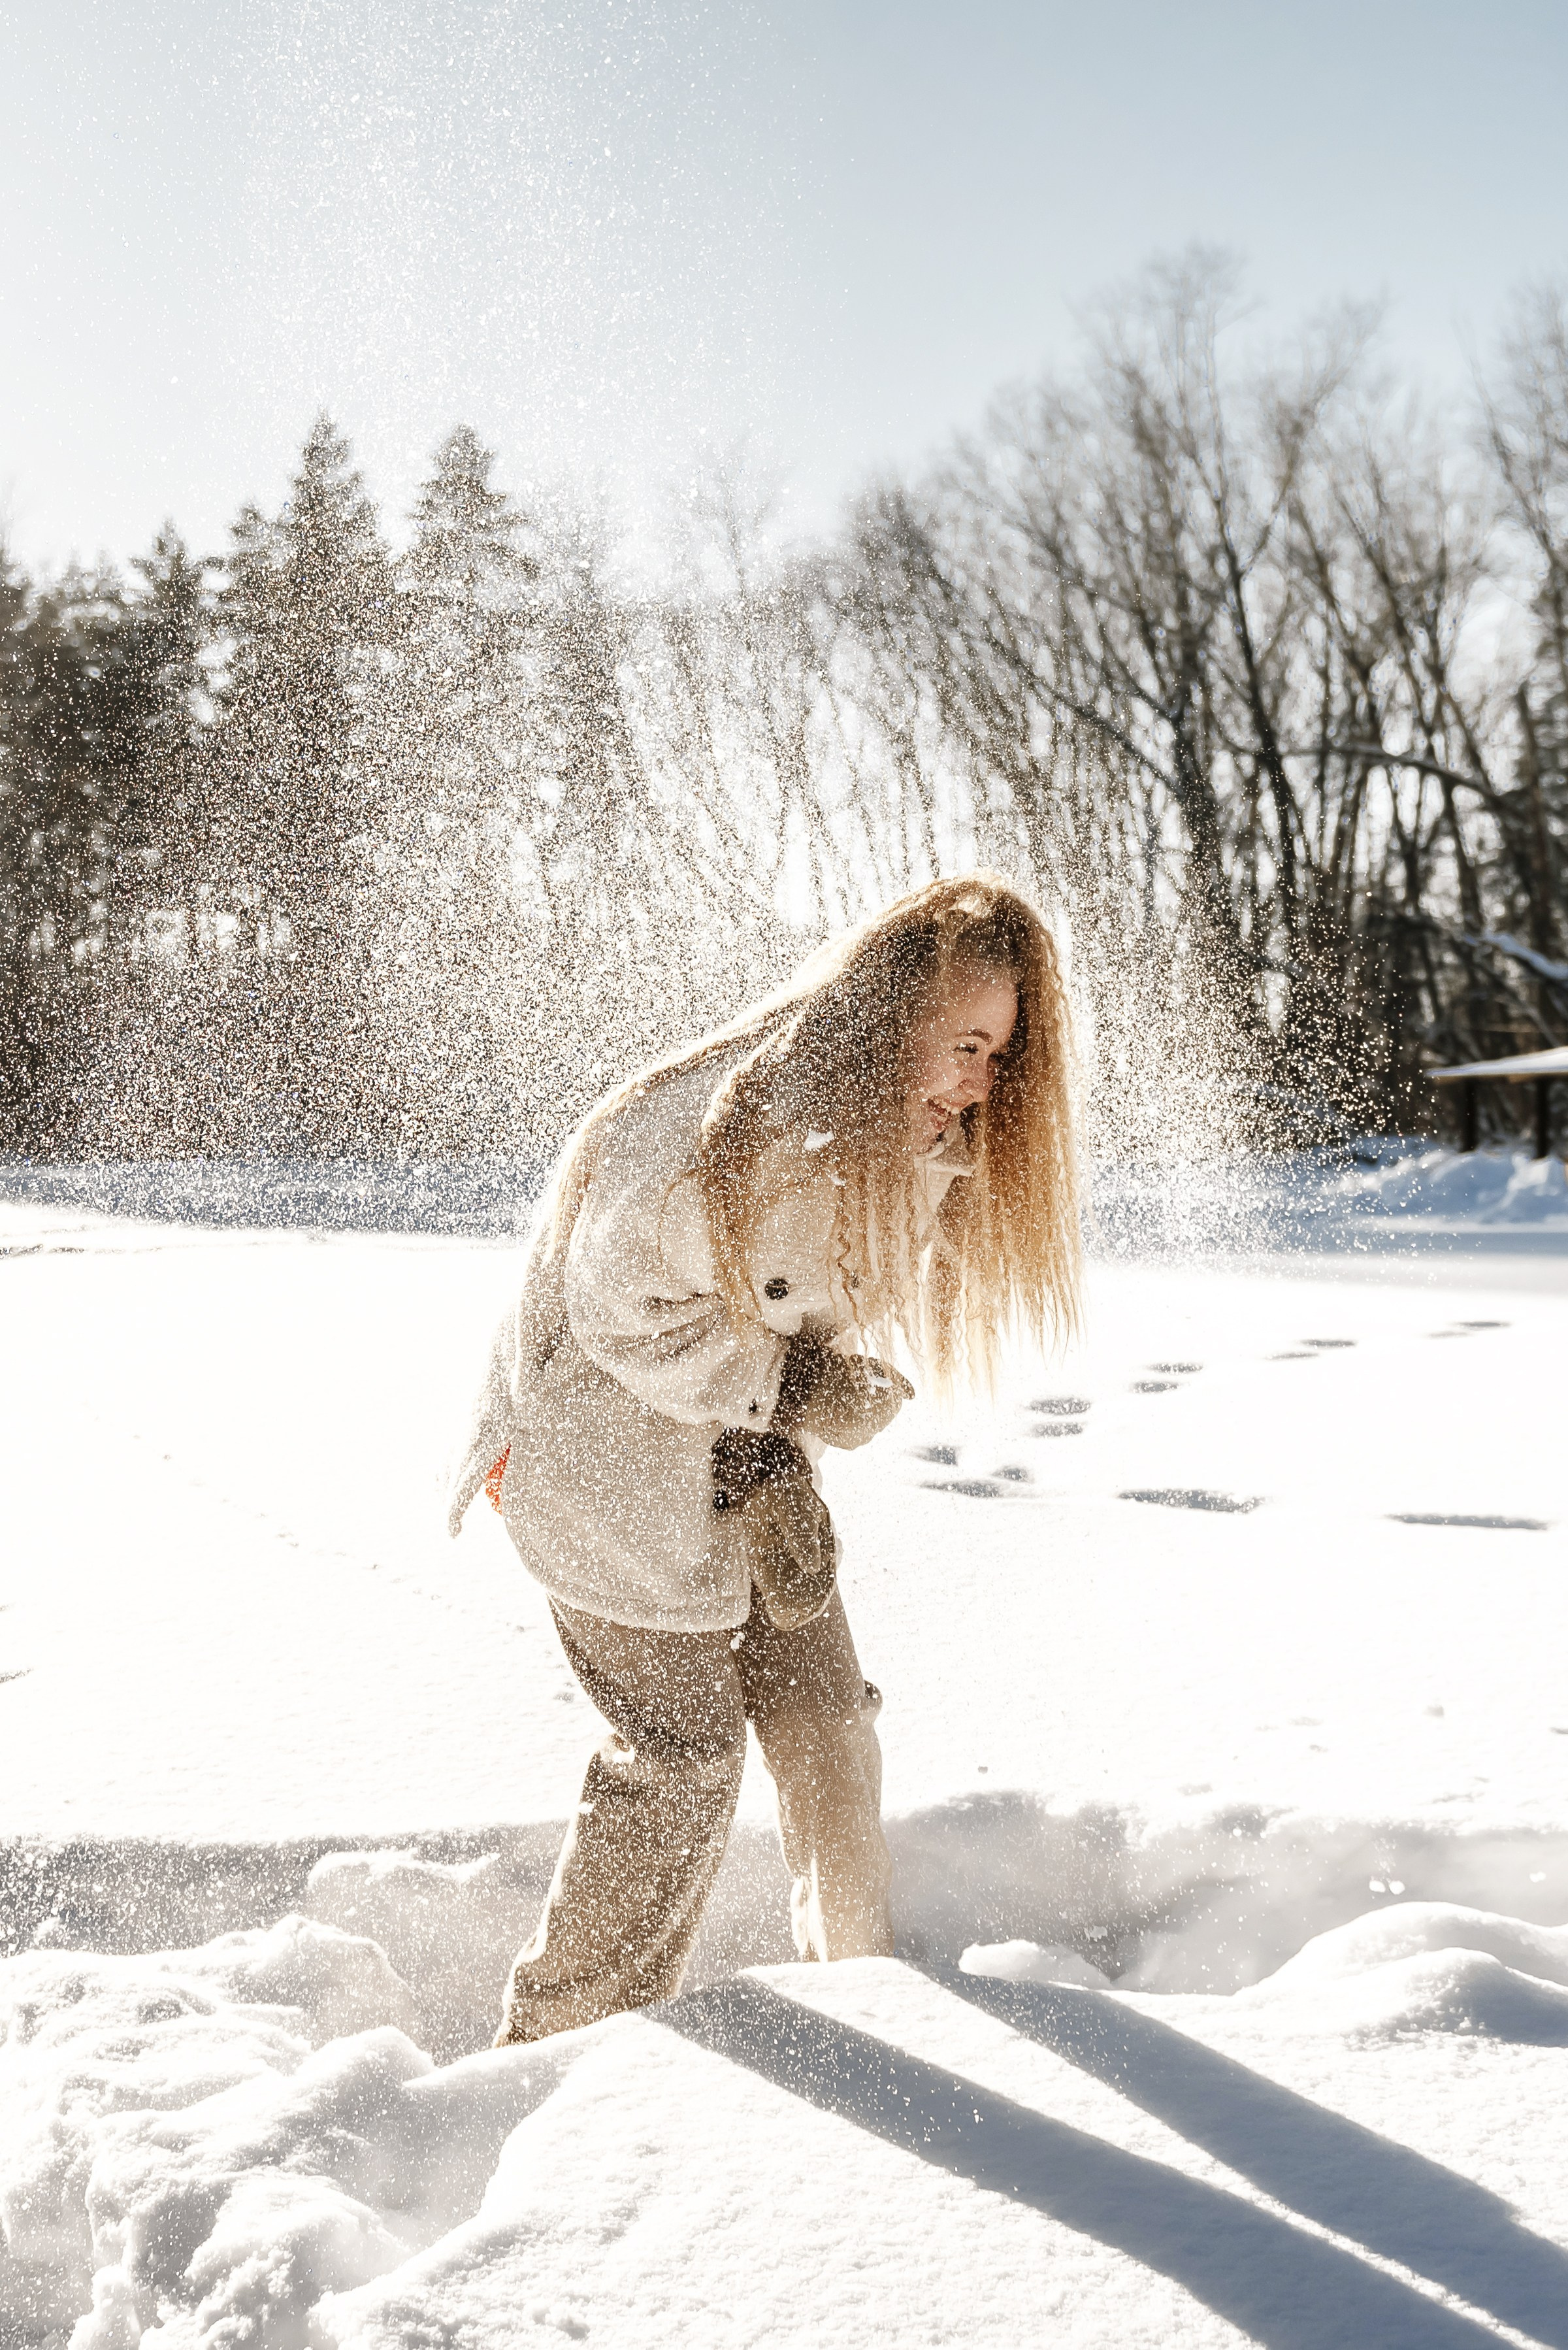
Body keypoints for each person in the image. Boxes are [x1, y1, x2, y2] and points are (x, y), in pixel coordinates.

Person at [448, 872, 1081, 2044]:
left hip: (740, 1476)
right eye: (965, 1044)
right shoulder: (722, 1124)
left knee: (830, 1725)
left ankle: (867, 1999)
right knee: (681, 1763)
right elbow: (617, 1305)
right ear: (888, 1014)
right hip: (602, 1475)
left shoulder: (897, 1132)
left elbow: (799, 1295)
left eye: (1001, 1055)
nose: (978, 1084)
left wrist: (780, 1433)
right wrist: (797, 1389)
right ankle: (562, 2046)